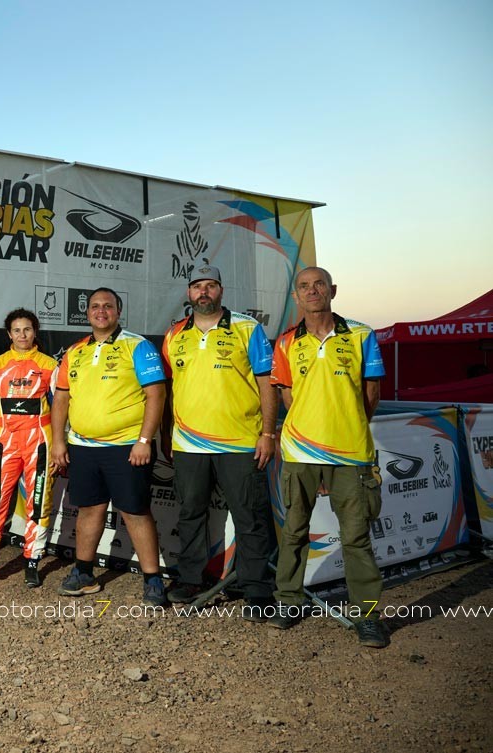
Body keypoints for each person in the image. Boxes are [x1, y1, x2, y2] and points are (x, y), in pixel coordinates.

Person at [269, 266, 389, 648]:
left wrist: (348, 427)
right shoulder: (287, 342)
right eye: (304, 286)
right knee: (294, 531)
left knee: (355, 537)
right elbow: (288, 397)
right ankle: (288, 601)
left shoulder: (361, 334)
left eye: (319, 284)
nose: (312, 291)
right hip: (300, 451)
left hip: (351, 453)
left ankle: (367, 616)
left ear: (332, 290)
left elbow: (371, 393)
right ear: (295, 296)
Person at [161, 265, 277, 618]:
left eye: (211, 286)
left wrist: (268, 433)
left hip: (240, 443)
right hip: (189, 444)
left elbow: (266, 383)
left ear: (221, 291)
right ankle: (191, 579)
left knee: (251, 517)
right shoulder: (174, 334)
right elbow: (167, 389)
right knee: (190, 514)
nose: (204, 292)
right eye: (198, 286)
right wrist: (167, 434)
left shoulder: (247, 328)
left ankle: (257, 591)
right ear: (189, 293)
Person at [50, 287, 168, 605]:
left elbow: (156, 394)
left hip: (127, 446)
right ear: (87, 313)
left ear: (118, 310)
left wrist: (145, 441)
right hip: (83, 447)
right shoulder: (74, 351)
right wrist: (59, 440)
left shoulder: (138, 346)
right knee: (89, 509)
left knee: (135, 512)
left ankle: (153, 579)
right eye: (94, 306)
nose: (101, 311)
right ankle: (84, 573)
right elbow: (61, 397)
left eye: (108, 306)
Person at [0, 309, 57, 593]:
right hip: (5, 443)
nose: (22, 335)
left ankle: (33, 560)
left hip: (40, 441)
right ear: (9, 334)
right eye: (17, 330)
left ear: (35, 331)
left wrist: (59, 447)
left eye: (27, 329)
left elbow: (61, 408)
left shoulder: (50, 365)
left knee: (38, 503)